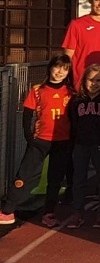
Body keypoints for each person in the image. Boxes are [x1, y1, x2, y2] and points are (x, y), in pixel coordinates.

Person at [0, 55, 75, 227]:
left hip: (62, 143)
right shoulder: (36, 90)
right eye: (57, 67)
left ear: (68, 72)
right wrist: (29, 137)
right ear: (50, 68)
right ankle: (7, 210)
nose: (60, 72)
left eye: (65, 69)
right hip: (40, 141)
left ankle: (49, 212)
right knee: (24, 175)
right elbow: (27, 115)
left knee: (55, 179)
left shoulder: (71, 93)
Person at [66, 64, 100, 229]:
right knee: (78, 178)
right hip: (80, 145)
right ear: (84, 80)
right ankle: (77, 212)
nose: (94, 83)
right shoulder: (76, 100)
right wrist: (73, 142)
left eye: (98, 80)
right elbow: (72, 123)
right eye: (91, 80)